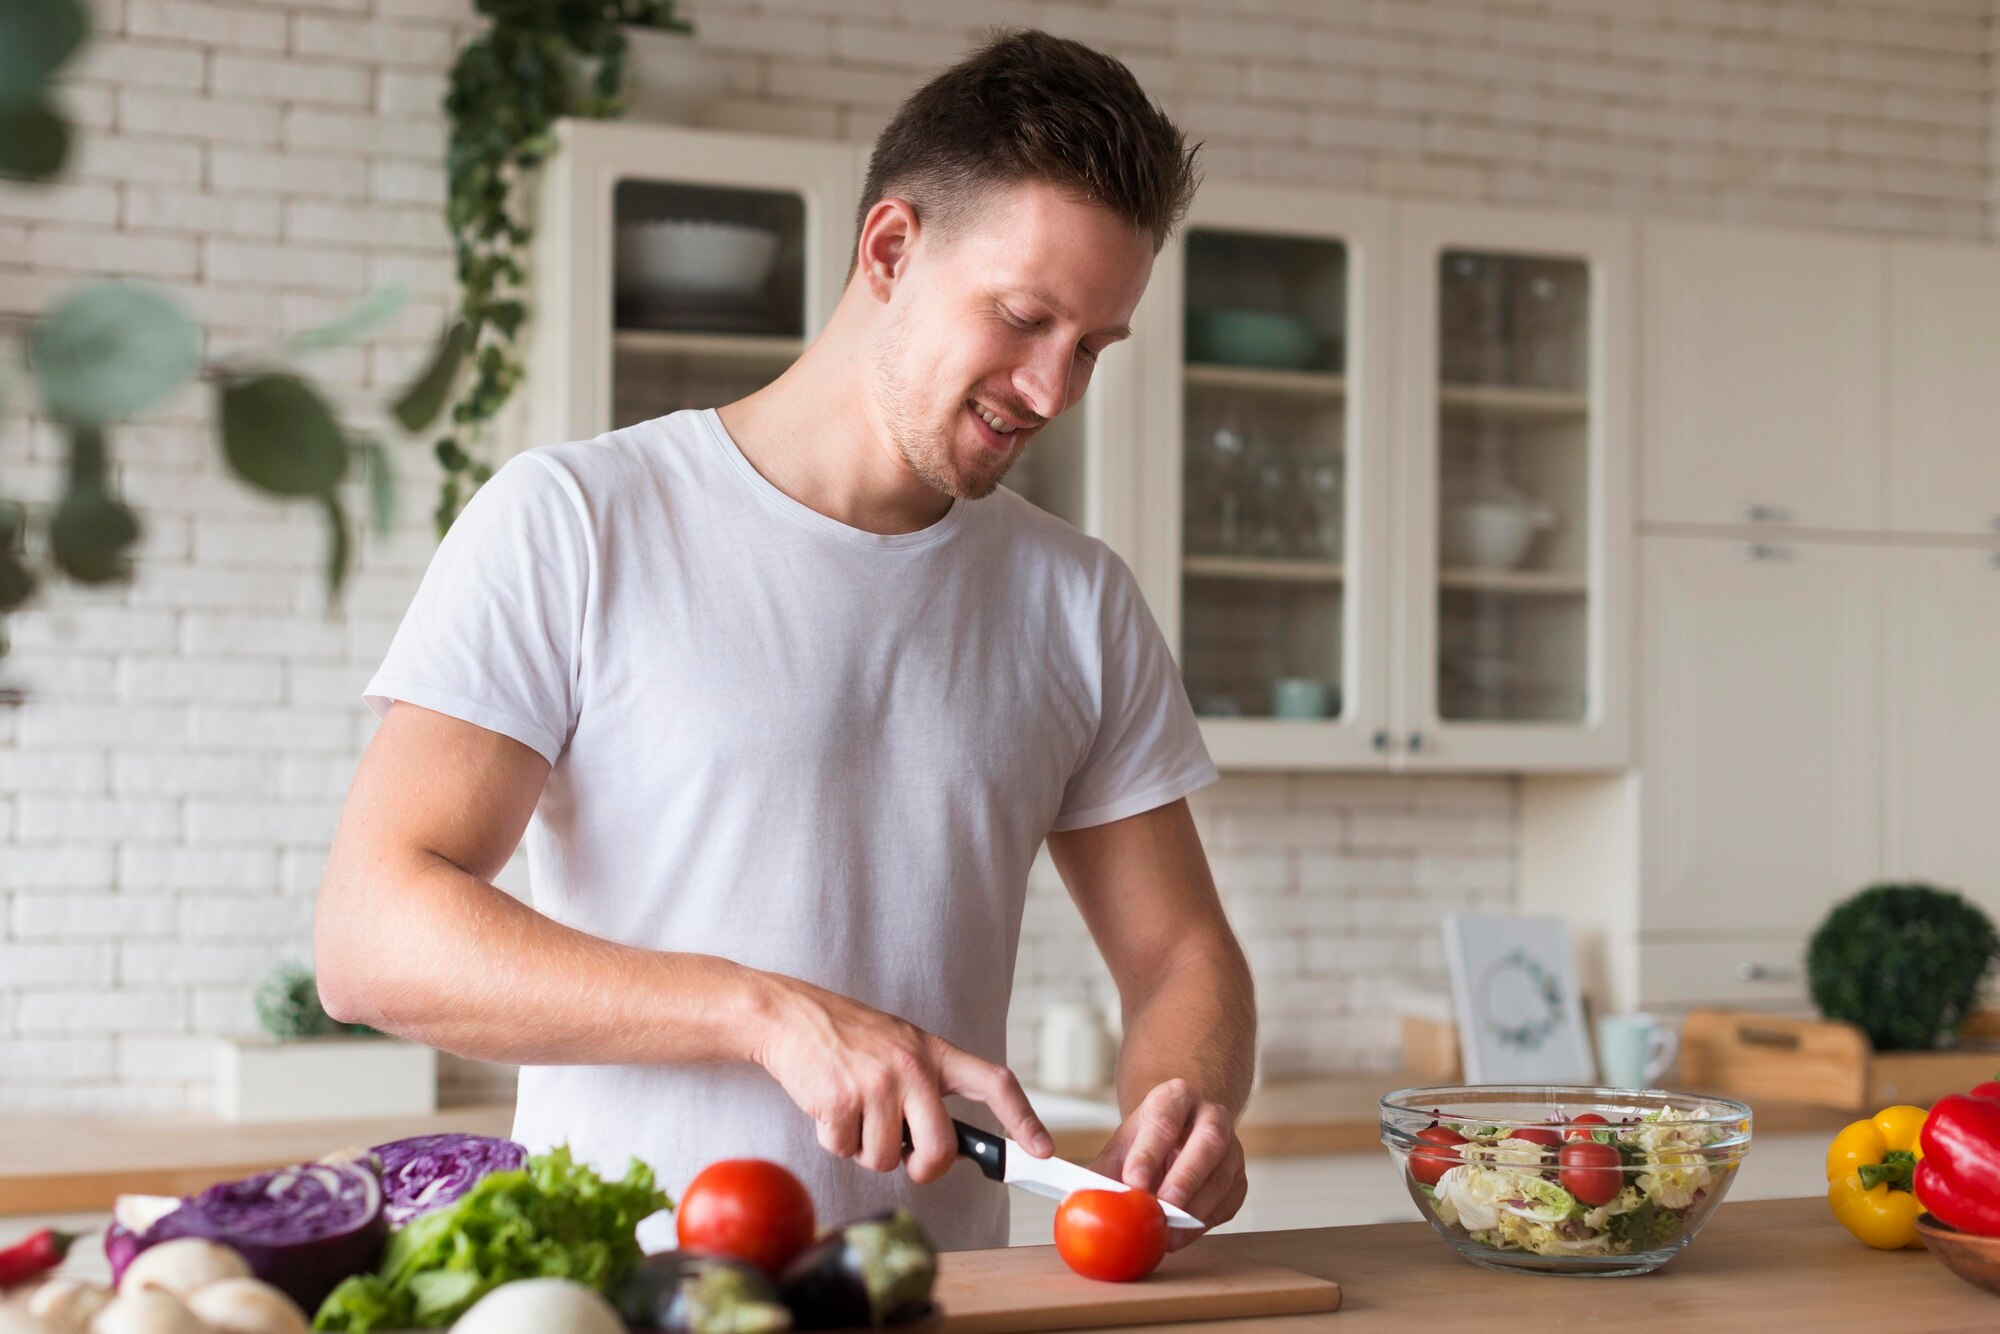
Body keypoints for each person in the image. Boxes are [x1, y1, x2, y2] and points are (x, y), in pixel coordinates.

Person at [316, 28, 1255, 1252]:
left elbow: (1184, 954)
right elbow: (371, 937)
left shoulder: (1073, 599)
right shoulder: (579, 522)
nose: (1051, 390)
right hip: (623, 1290)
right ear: (889, 248)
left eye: (1091, 346)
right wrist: (763, 1012)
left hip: (939, 1293)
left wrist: (1184, 1101)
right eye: (1023, 319)